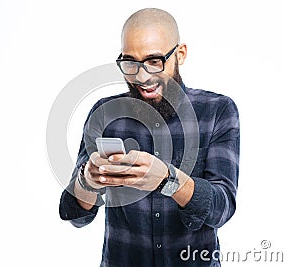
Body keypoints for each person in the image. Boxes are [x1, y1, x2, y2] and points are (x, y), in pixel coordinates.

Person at [59, 8, 240, 267]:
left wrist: (169, 180)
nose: (141, 77)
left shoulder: (217, 111)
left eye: (154, 61)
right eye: (130, 62)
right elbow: (76, 216)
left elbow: (222, 208)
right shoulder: (104, 114)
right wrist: (88, 181)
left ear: (180, 54)